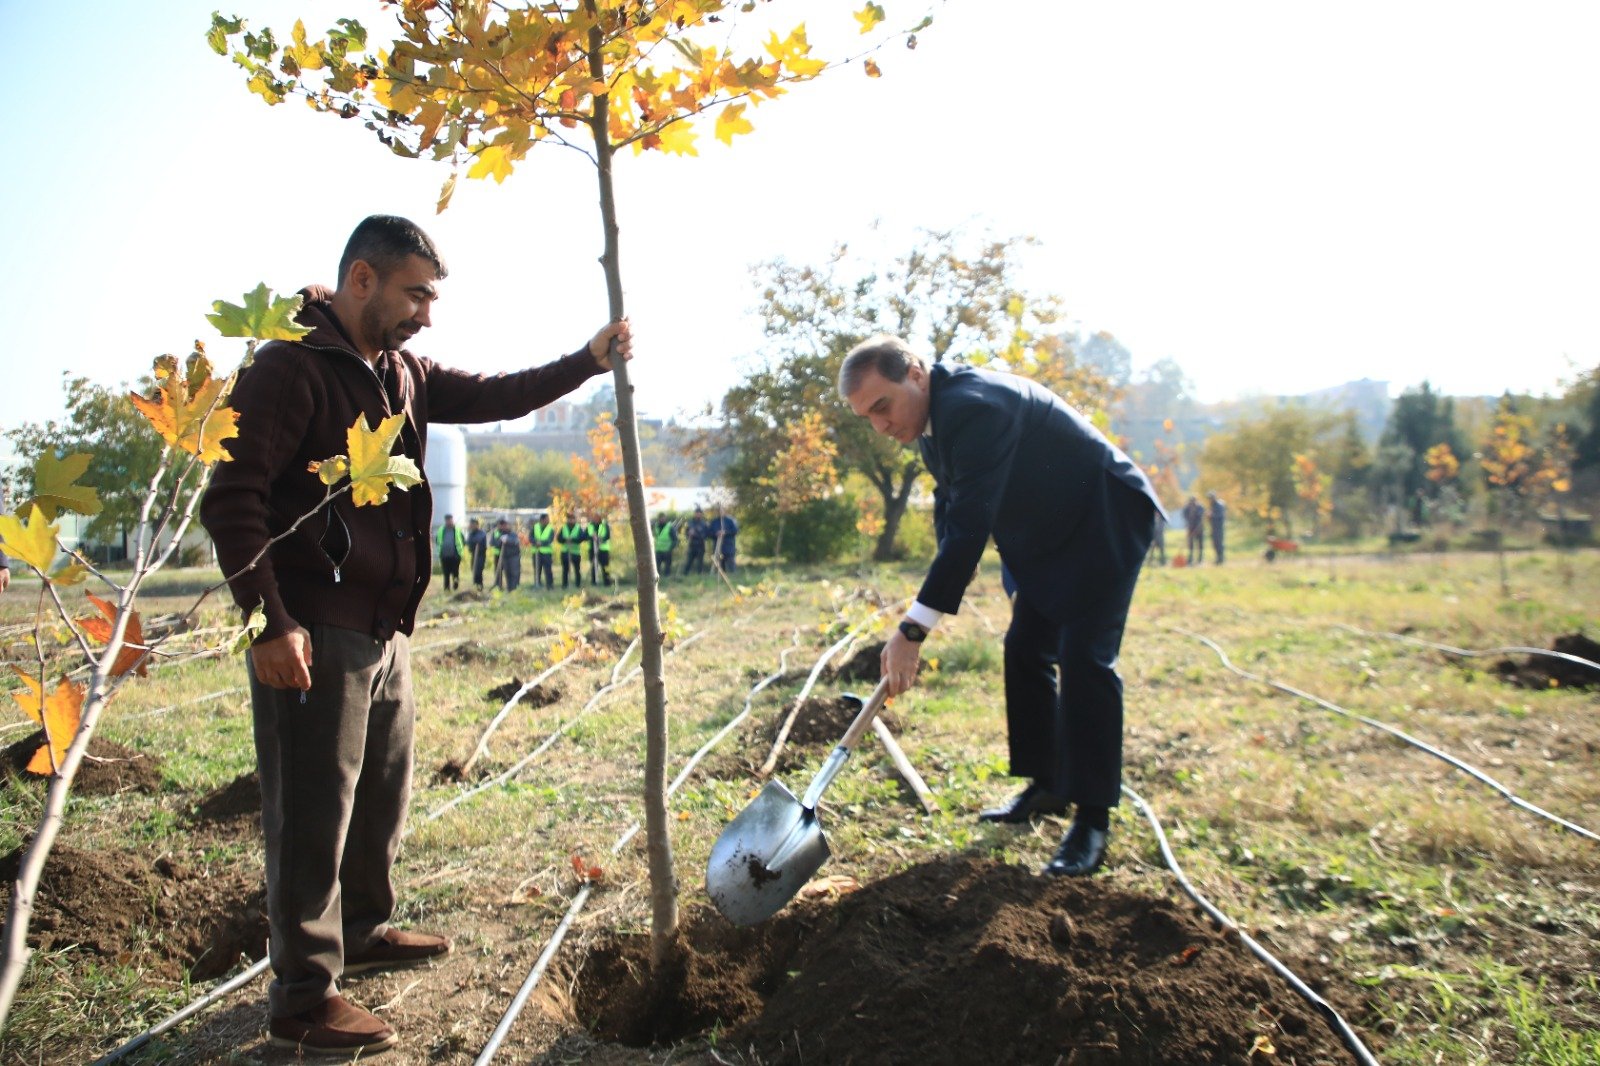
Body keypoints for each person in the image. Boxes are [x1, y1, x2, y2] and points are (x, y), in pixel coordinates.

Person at [199, 214, 632, 1056]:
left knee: (377, 798)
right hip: (311, 628)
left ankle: (362, 929)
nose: (426, 314)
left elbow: (500, 393)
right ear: (362, 279)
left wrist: (586, 359)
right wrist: (267, 622)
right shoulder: (289, 371)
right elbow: (234, 500)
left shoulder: (401, 372)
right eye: (415, 294)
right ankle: (302, 998)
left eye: (431, 298)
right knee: (311, 816)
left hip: (383, 628)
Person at [839, 335, 1160, 879]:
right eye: (867, 417)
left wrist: (913, 630)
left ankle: (1092, 817)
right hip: (1047, 536)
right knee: (1026, 647)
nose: (881, 427)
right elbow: (951, 514)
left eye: (882, 406)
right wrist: (925, 609)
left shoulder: (973, 406)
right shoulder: (931, 425)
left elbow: (970, 528)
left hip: (1102, 519)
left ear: (915, 374)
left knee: (1085, 659)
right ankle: (1050, 782)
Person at [435, 514, 465, 591]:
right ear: (445, 521)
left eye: (450, 520)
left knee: (455, 572)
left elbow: (463, 541)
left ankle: (455, 587)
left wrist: (459, 553)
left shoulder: (457, 530)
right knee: (446, 573)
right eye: (447, 520)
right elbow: (437, 541)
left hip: (455, 556)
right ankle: (446, 588)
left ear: (452, 520)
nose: (449, 522)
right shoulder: (441, 530)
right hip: (444, 556)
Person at [557, 513, 587, 589]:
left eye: (572, 519)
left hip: (575, 552)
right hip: (565, 552)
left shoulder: (578, 528)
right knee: (565, 570)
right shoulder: (564, 528)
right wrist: (565, 540)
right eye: (569, 519)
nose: (570, 520)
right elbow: (559, 538)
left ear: (574, 520)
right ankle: (564, 585)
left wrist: (573, 540)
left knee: (577, 570)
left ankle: (577, 584)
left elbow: (582, 538)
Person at [493, 518, 521, 591]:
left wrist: (507, 540)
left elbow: (515, 541)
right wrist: (500, 540)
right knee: (507, 573)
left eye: (505, 525)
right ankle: (509, 588)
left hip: (514, 556)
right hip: (504, 556)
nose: (504, 527)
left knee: (514, 573)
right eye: (502, 525)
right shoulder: (499, 534)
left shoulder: (512, 534)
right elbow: (495, 543)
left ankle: (514, 589)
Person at [709, 505, 739, 573]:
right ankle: (722, 577)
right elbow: (709, 533)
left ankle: (733, 575)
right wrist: (716, 533)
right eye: (719, 511)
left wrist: (725, 532)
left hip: (728, 545)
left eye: (722, 510)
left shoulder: (731, 520)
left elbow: (735, 531)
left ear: (724, 511)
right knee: (720, 563)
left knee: (731, 562)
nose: (720, 512)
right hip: (718, 546)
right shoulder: (714, 522)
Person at [530, 513, 556, 589]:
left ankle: (550, 585)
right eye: (547, 519)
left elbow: (550, 539)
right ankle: (537, 583)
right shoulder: (535, 527)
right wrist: (535, 542)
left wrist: (541, 543)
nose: (548, 521)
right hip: (536, 552)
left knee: (548, 570)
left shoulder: (550, 529)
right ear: (542, 520)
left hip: (546, 553)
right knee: (537, 569)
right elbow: (530, 537)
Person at [588, 512, 613, 586]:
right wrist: (593, 537)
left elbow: (608, 536)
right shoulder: (590, 525)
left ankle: (607, 582)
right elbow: (588, 535)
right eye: (594, 517)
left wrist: (601, 539)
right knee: (594, 566)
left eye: (597, 517)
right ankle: (594, 582)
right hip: (593, 549)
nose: (595, 518)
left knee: (605, 566)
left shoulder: (605, 525)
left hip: (603, 549)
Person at [682, 505, 709, 575]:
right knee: (689, 560)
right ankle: (685, 574)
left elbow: (706, 535)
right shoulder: (690, 522)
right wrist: (689, 533)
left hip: (700, 545)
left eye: (699, 513)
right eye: (697, 513)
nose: (698, 515)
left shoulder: (704, 524)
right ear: (695, 514)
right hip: (691, 544)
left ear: (701, 514)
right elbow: (686, 533)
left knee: (700, 561)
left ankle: (699, 574)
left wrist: (696, 534)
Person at [465, 517, 488, 589]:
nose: (471, 525)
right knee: (474, 570)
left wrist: (474, 541)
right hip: (473, 554)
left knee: (478, 571)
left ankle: (480, 587)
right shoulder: (471, 533)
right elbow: (468, 542)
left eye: (473, 524)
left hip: (480, 555)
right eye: (471, 524)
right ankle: (475, 586)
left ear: (477, 525)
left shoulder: (481, 533)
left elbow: (478, 540)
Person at [653, 513, 678, 577]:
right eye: (660, 518)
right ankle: (657, 579)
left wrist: (671, 548)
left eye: (663, 518)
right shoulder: (655, 526)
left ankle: (667, 580)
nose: (662, 519)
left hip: (667, 551)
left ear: (665, 518)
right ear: (658, 519)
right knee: (656, 567)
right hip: (658, 550)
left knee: (667, 567)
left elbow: (675, 540)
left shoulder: (670, 527)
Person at [1182, 496, 1205, 565]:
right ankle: (1190, 559)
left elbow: (1200, 516)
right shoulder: (1187, 508)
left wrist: (1194, 511)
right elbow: (1185, 516)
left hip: (1199, 528)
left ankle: (1200, 559)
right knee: (1191, 544)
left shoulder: (1200, 507)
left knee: (1200, 544)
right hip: (1190, 528)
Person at [1207, 492, 1227, 564]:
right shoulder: (1212, 506)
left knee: (1219, 543)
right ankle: (1217, 558)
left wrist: (1211, 515)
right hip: (1213, 527)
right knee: (1214, 543)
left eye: (1211, 498)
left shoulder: (1219, 505)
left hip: (1219, 527)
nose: (1210, 499)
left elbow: (1220, 516)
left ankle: (1221, 558)